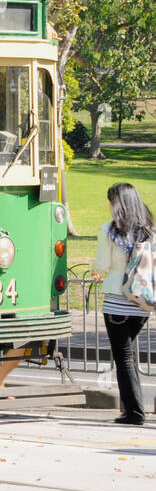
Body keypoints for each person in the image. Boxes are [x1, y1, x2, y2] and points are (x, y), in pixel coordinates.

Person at [91, 182, 153, 425]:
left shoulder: (109, 230)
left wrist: (93, 269)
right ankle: (134, 409)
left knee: (124, 357)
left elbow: (102, 265)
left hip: (117, 301)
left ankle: (135, 412)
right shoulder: (149, 230)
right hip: (142, 302)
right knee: (129, 356)